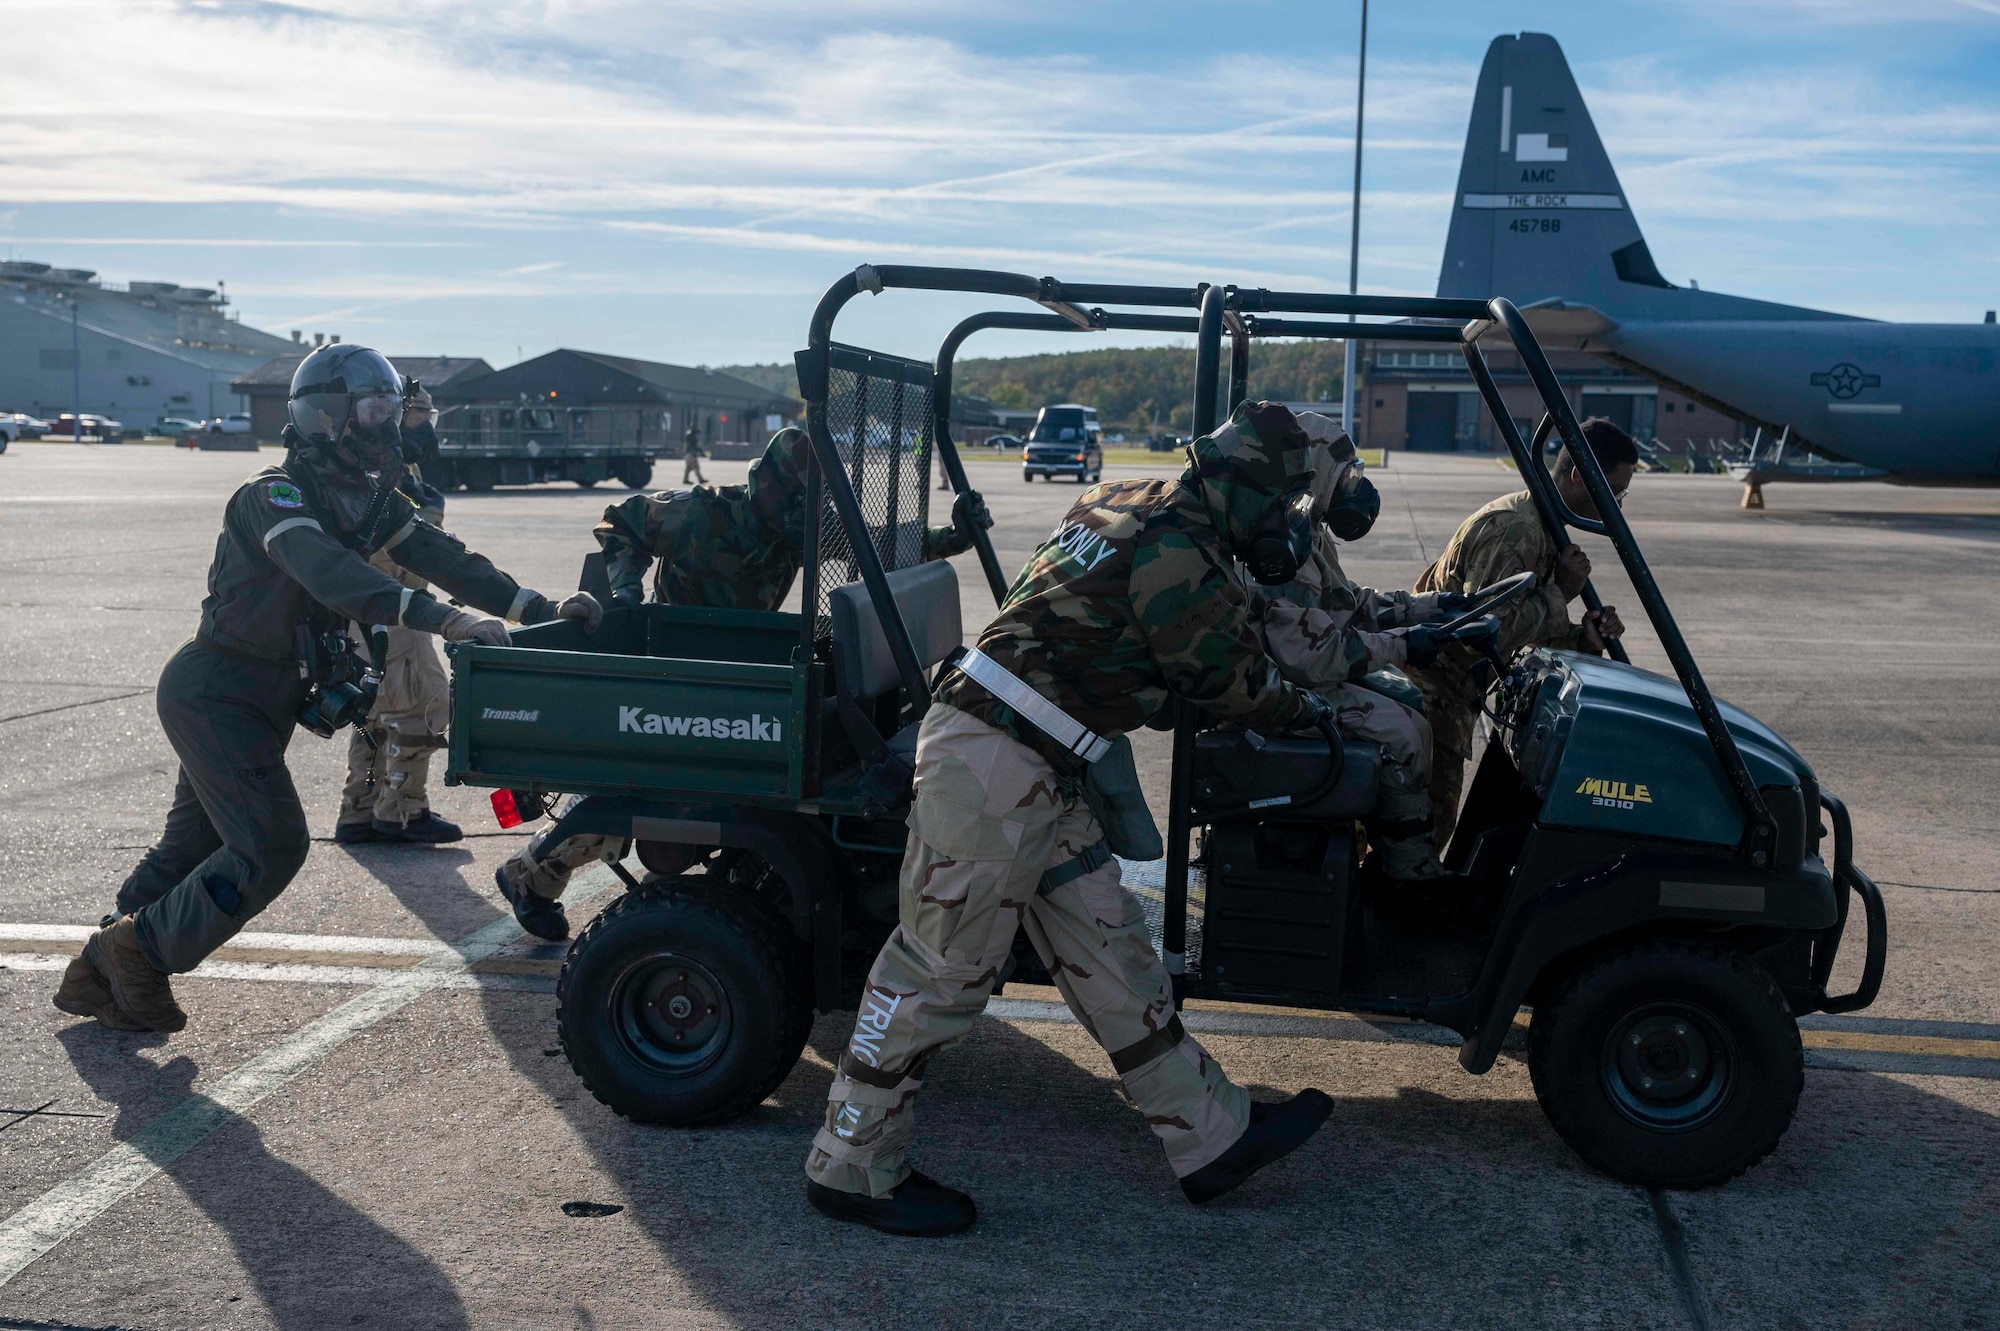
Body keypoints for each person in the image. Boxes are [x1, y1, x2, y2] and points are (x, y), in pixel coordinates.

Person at [805, 401, 1338, 1238]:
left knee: (1107, 943)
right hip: (991, 761)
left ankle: (1211, 1134)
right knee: (938, 968)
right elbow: (1223, 678)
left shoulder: (1132, 493)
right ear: (1238, 489)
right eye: (1276, 505)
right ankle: (849, 1164)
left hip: (1040, 758)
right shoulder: (1182, 551)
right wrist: (1309, 707)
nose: (1281, 524)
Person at [52, 344, 602, 1034]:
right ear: (326, 416)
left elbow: (446, 558)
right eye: (370, 409)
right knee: (272, 845)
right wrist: (442, 616)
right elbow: (333, 575)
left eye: (387, 408)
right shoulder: (271, 496)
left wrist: (544, 608)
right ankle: (139, 951)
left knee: (188, 849)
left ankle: (98, 969)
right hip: (217, 690)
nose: (383, 423)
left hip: (262, 697)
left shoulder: (369, 501)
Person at [492, 427, 992, 940]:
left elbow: (876, 545)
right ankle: (527, 876)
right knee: (641, 792)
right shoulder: (701, 511)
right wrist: (626, 589)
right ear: (773, 488)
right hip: (671, 666)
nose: (806, 516)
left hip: (736, 667)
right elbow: (620, 521)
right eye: (799, 501)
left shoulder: (800, 526)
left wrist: (956, 537)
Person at [1247, 416, 1472, 881]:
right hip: (1276, 691)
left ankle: (1379, 856)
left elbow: (1347, 604)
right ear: (1314, 468)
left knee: (1410, 701)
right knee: (1406, 734)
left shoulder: (1306, 531)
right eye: (1345, 475)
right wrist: (1405, 646)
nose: (1354, 487)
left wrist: (1428, 607)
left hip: (1298, 674)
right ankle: (1408, 874)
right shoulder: (1276, 546)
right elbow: (1313, 657)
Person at [1407, 417, 1635, 848]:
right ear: (1577, 477)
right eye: (1613, 491)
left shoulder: (1542, 526)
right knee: (1419, 838)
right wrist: (1561, 593)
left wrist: (1583, 640)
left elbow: (1519, 635)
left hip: (1451, 697)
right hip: (1429, 698)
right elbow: (1480, 630)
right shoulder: (1516, 530)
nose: (1615, 505)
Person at [333, 394, 460, 845]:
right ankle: (403, 812)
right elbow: (390, 549)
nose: (426, 424)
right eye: (420, 413)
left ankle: (360, 810)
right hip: (394, 606)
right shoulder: (382, 470)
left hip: (367, 611)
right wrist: (431, 517)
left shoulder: (381, 462)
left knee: (376, 713)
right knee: (424, 706)